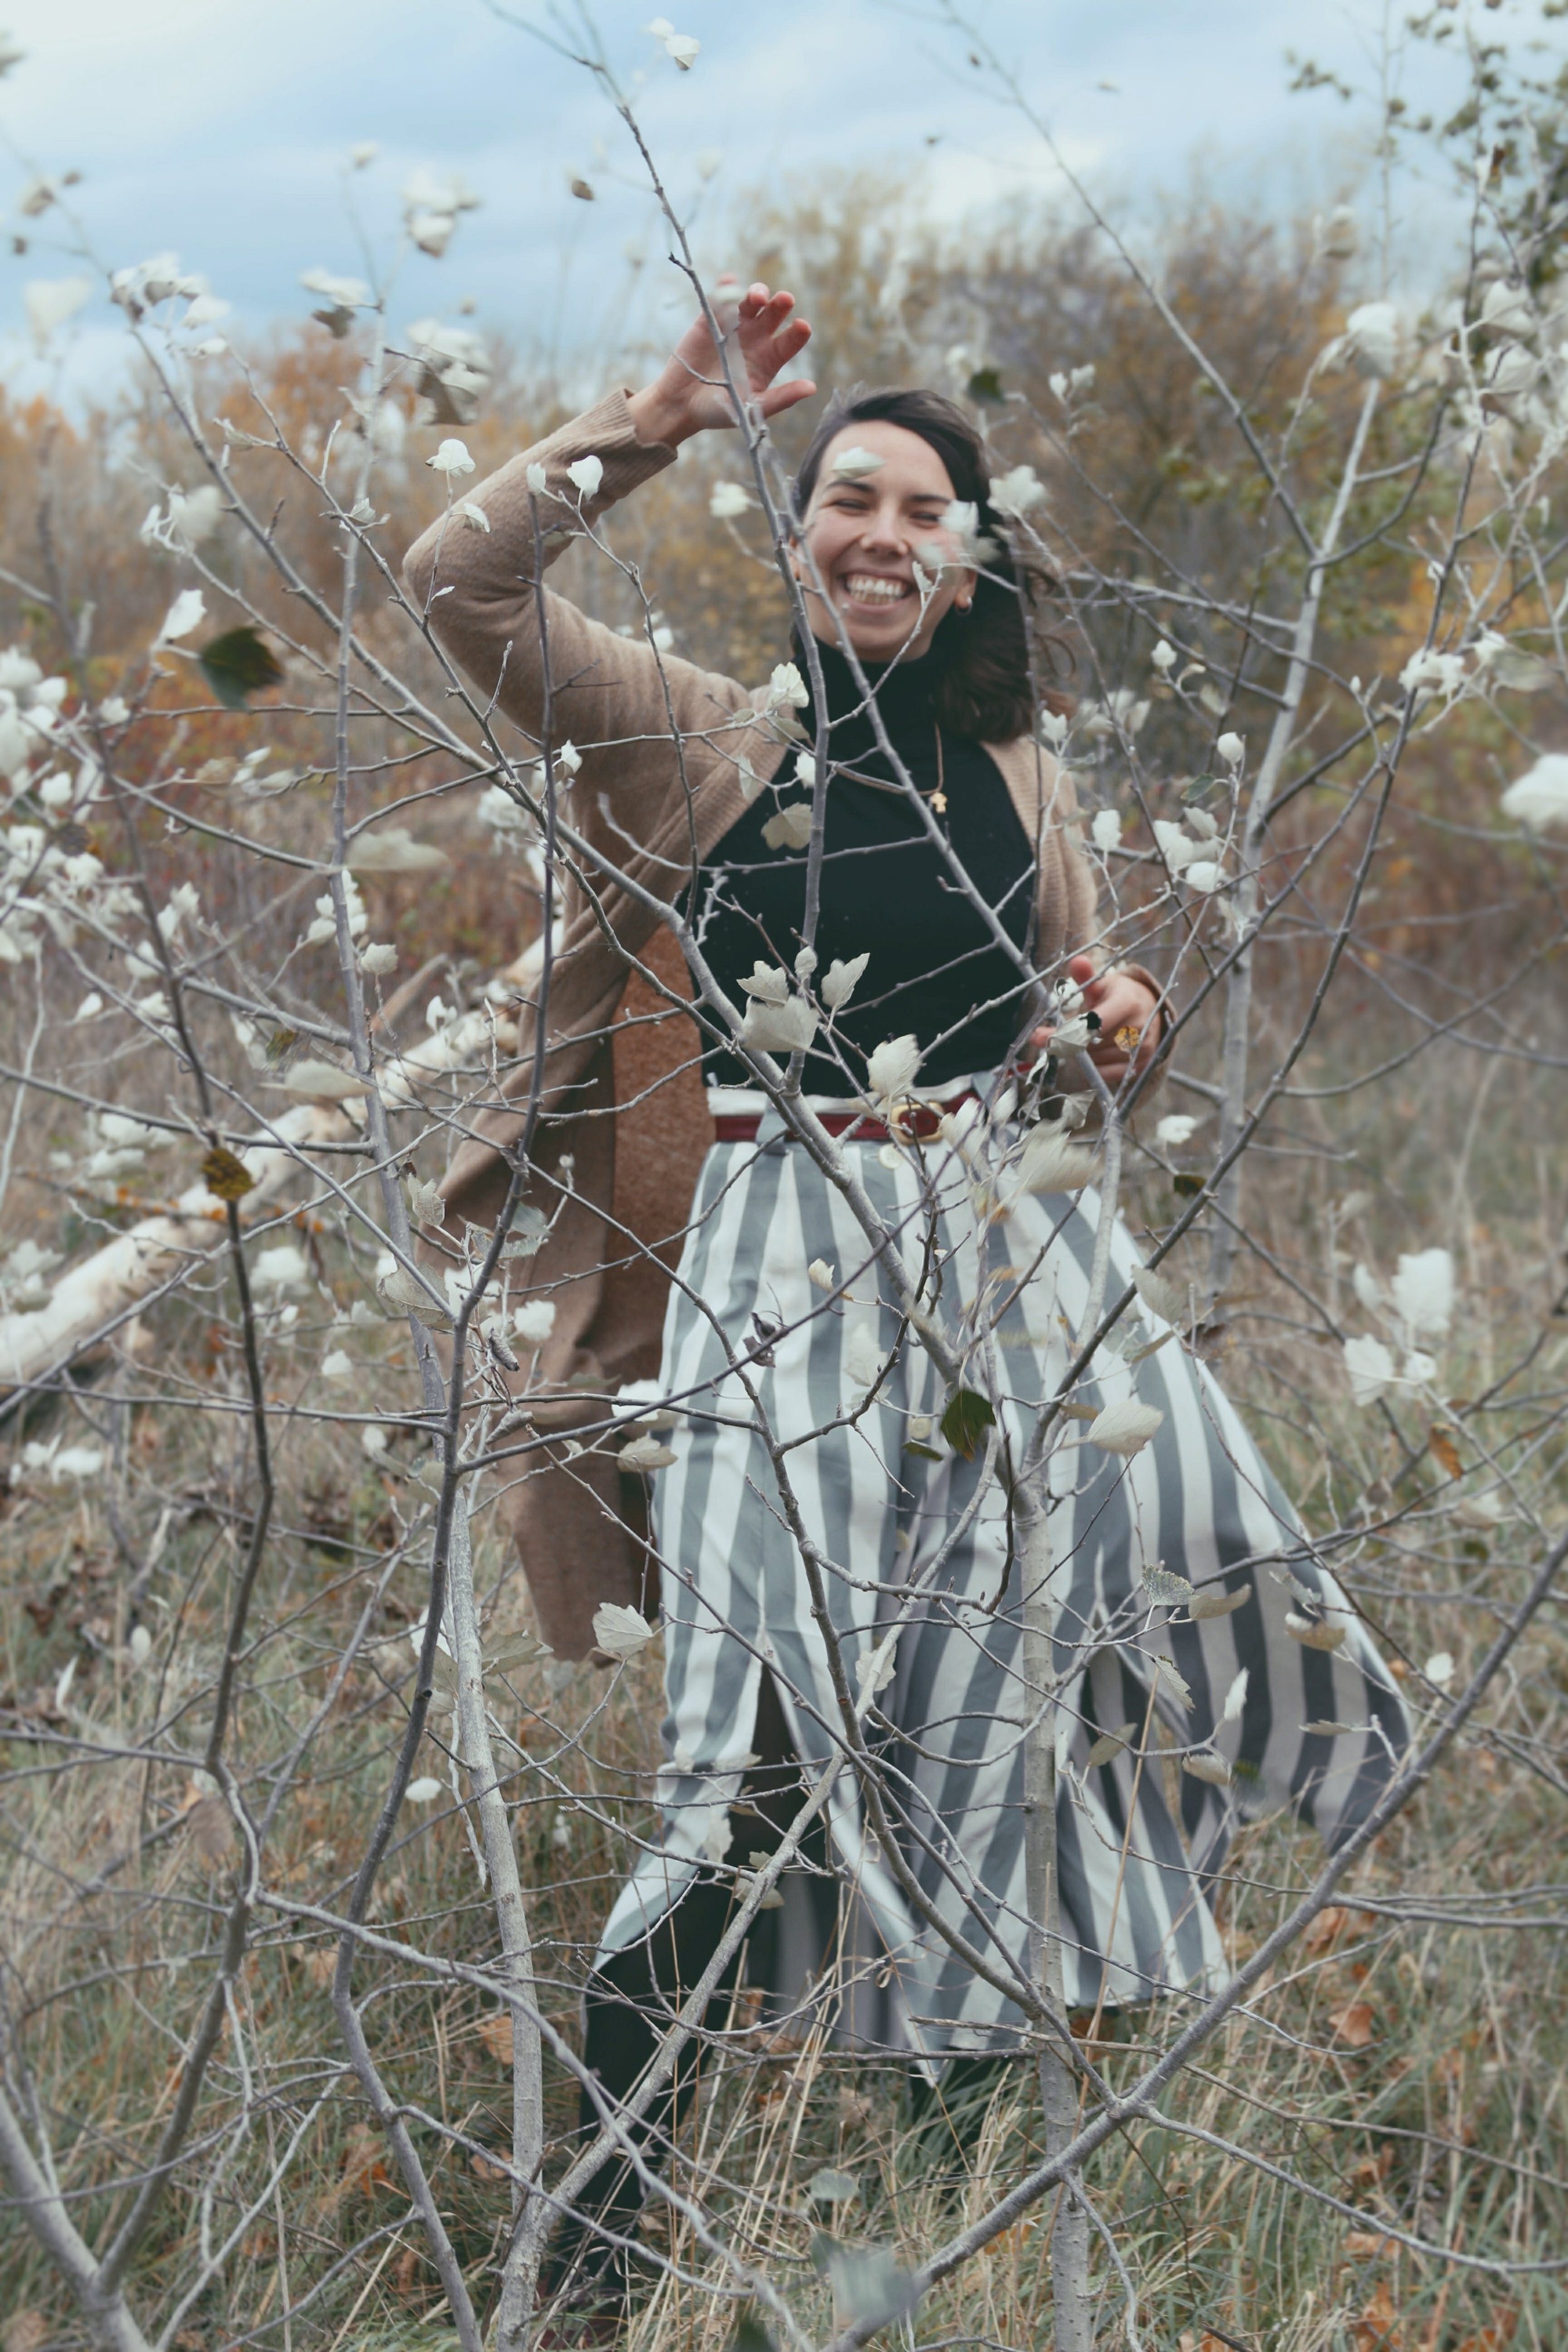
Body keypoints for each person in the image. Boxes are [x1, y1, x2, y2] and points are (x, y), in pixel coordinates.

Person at [403, 287, 1407, 2328]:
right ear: (802, 539)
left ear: (967, 558)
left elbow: (1088, 1035)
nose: (877, 529)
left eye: (918, 507)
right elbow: (458, 581)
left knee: (993, 1739)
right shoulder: (696, 733)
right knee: (752, 1752)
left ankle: (937, 2256)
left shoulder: (1018, 778)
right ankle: (589, 2272)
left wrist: (1121, 1031)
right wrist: (655, 419)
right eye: (844, 497)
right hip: (778, 1269)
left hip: (1008, 1270)